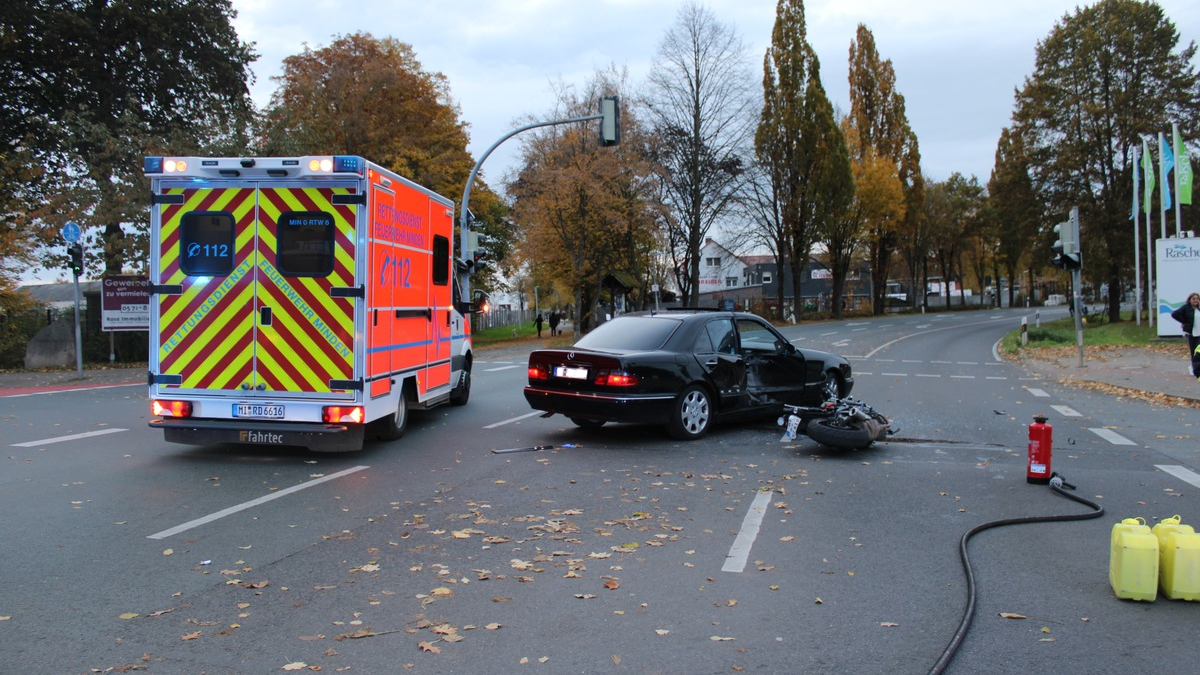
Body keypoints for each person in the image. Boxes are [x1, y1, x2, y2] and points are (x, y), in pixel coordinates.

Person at [1170, 292, 1200, 378]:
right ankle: (1194, 368)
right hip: (1192, 333)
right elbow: (1174, 314)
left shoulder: (1198, 309)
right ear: (1190, 300)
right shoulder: (1186, 308)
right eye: (1193, 299)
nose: (1195, 300)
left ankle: (1196, 367)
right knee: (1194, 352)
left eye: (1197, 298)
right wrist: (1184, 322)